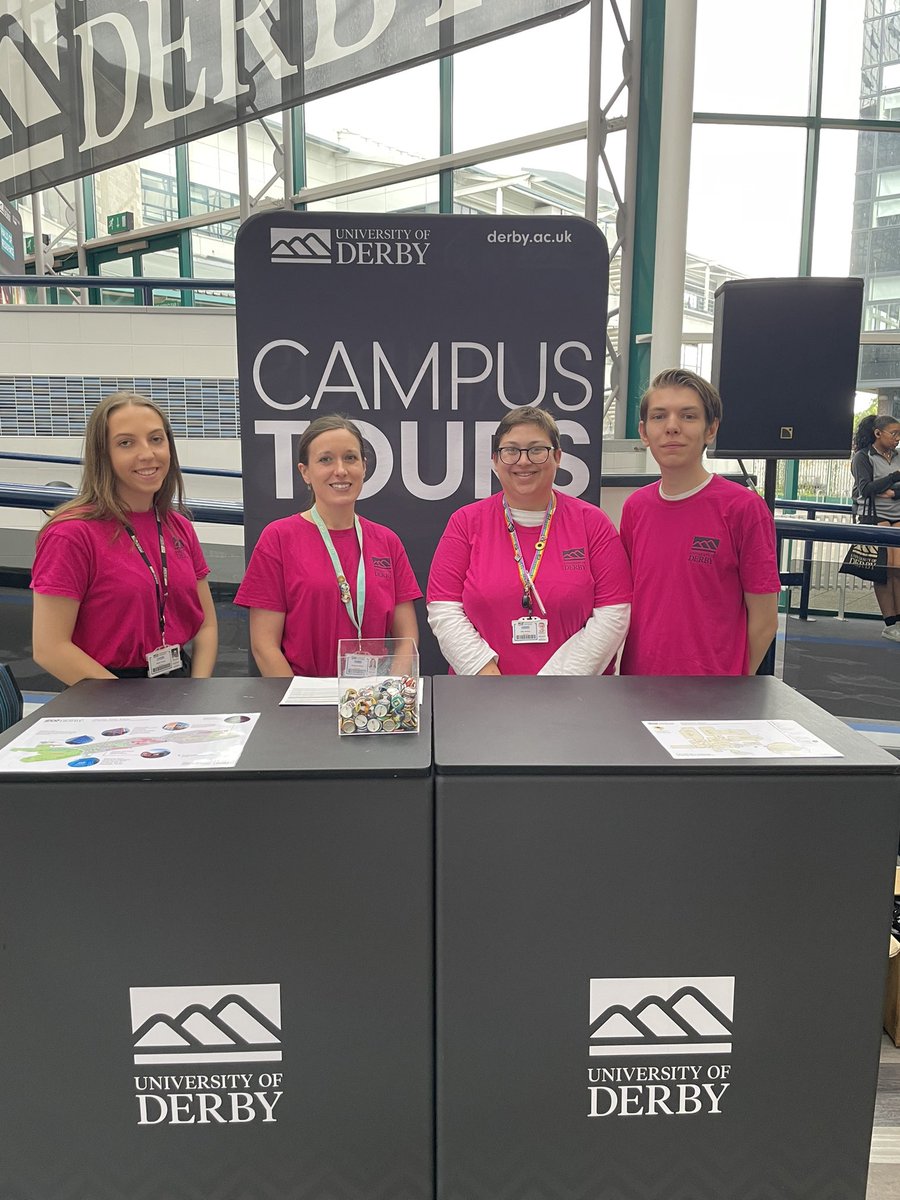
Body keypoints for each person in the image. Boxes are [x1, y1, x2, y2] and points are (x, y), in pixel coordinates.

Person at [427, 406, 632, 675]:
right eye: (511, 450)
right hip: (483, 693)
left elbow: (613, 612)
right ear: (495, 460)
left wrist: (555, 683)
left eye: (537, 450)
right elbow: (444, 608)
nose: (523, 461)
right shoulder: (465, 523)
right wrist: (485, 674)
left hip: (575, 696)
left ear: (557, 456)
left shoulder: (592, 523)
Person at [31, 392, 218, 683]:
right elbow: (50, 649)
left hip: (178, 683)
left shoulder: (178, 526)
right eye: (126, 443)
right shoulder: (70, 534)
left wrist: (198, 689)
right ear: (103, 454)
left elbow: (205, 624)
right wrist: (130, 710)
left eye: (156, 439)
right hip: (102, 690)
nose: (147, 454)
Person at [618, 368, 780, 676]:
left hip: (712, 701)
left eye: (688, 416)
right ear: (643, 431)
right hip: (638, 687)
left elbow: (765, 619)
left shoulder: (743, 508)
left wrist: (731, 686)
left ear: (711, 429)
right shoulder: (636, 508)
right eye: (659, 416)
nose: (672, 427)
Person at [234, 414, 421, 676]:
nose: (341, 470)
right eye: (325, 459)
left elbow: (406, 639)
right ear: (305, 472)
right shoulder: (278, 538)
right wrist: (300, 705)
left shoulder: (386, 542)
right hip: (302, 702)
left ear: (364, 467)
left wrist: (389, 696)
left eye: (350, 458)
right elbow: (264, 646)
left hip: (371, 705)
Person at [850, 412, 900, 641]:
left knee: (898, 569)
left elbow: (880, 487)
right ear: (878, 434)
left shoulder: (898, 456)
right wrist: (894, 477)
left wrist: (891, 491)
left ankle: (898, 619)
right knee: (884, 571)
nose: (898, 438)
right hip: (875, 517)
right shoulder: (863, 457)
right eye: (894, 433)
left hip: (896, 515)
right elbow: (866, 488)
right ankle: (890, 622)